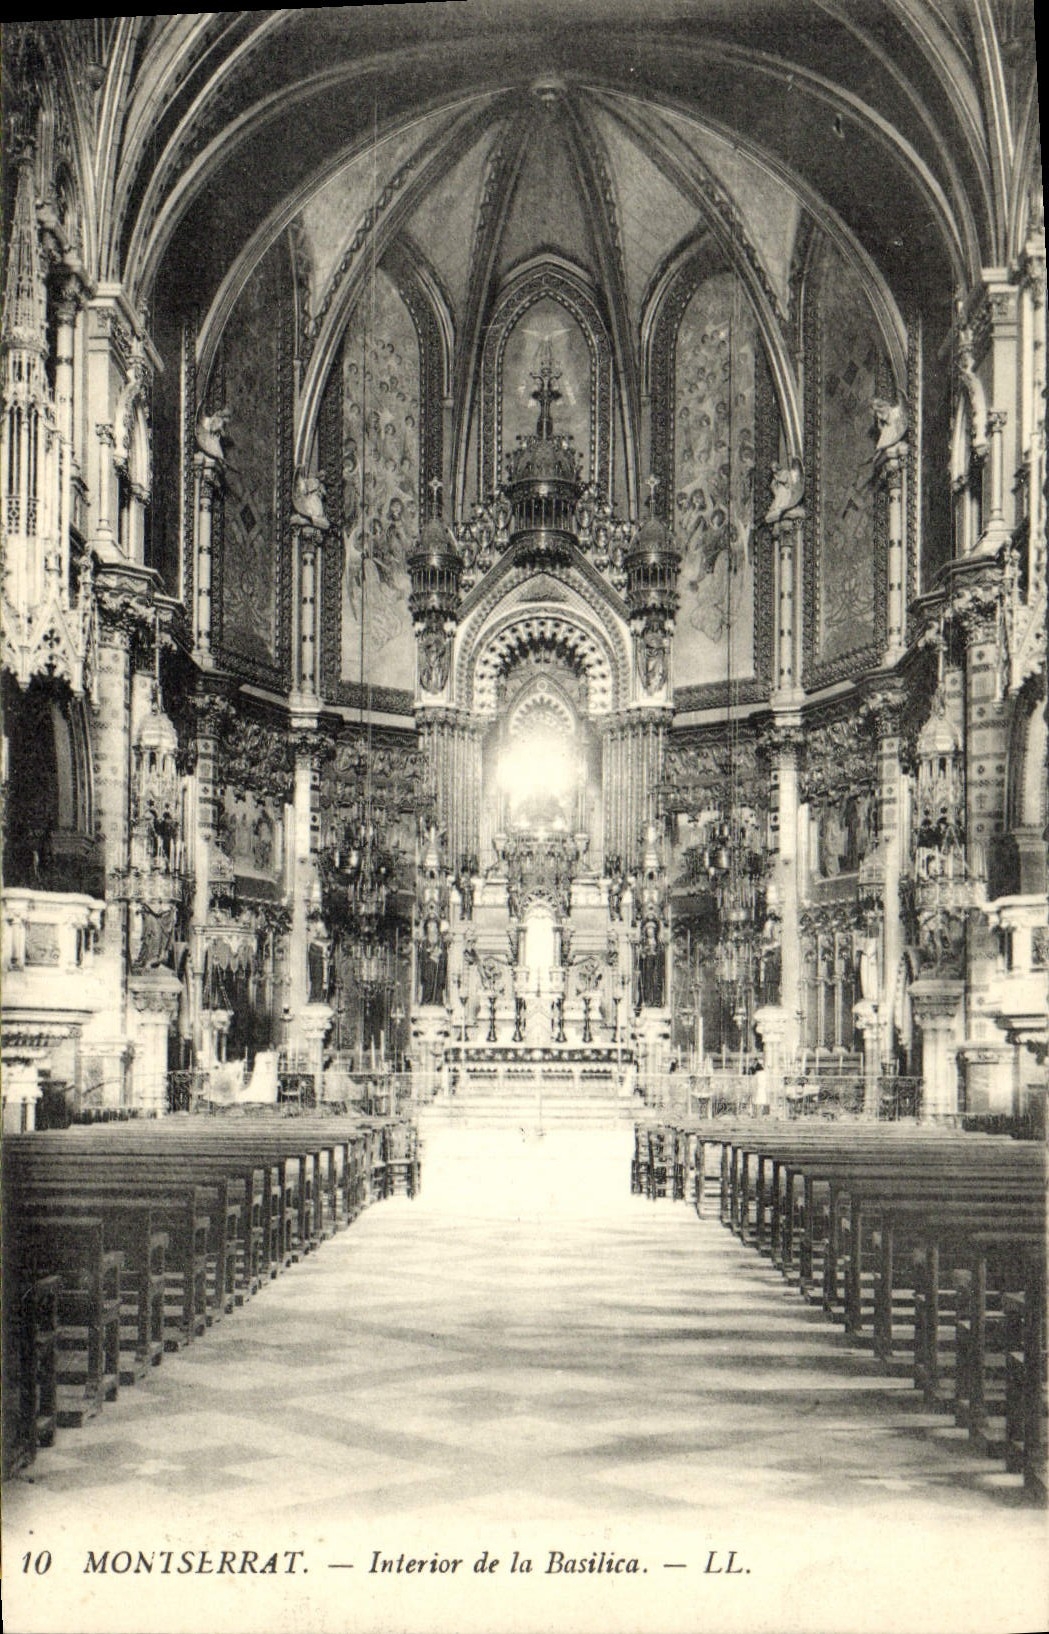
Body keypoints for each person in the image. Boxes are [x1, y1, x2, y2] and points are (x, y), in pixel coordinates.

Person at [636, 918, 666, 1008]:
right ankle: (647, 1000)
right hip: (647, 968)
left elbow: (662, 954)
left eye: (652, 930)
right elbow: (640, 956)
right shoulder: (644, 943)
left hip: (656, 967)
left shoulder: (658, 943)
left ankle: (657, 1001)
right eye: (648, 930)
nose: (650, 932)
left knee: (656, 982)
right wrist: (643, 954)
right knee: (647, 983)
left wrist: (656, 954)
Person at [417, 916, 447, 1005]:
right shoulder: (424, 942)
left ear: (437, 928)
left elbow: (444, 955)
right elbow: (422, 956)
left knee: (438, 986)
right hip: (428, 969)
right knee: (428, 985)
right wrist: (430, 956)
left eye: (434, 926)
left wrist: (440, 956)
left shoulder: (441, 942)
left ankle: (437, 1001)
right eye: (430, 926)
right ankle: (427, 1001)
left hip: (438, 969)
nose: (432, 929)